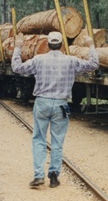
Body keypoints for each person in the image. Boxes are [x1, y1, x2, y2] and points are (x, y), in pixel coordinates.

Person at [11, 31, 98, 188]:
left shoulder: (38, 60)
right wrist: (91, 45)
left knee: (39, 139)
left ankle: (38, 175)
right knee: (57, 141)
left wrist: (18, 47)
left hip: (42, 103)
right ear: (62, 45)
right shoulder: (71, 61)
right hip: (61, 105)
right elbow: (93, 64)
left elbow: (16, 67)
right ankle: (53, 176)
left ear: (48, 45)